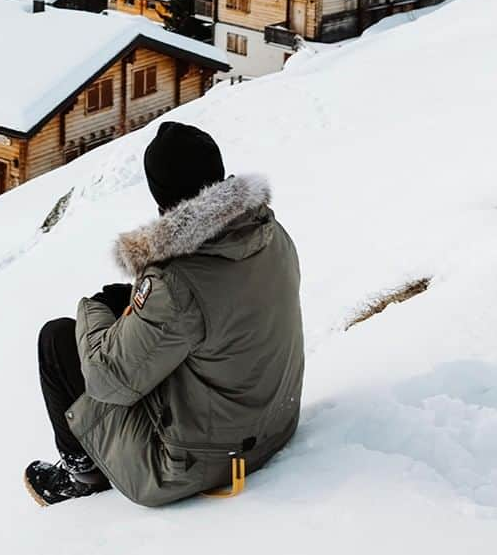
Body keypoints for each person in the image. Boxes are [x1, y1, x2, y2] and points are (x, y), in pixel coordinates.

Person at [24, 120, 304, 508]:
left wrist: (97, 309)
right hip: (274, 424)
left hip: (199, 461)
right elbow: (221, 306)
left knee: (57, 341)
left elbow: (107, 380)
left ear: (161, 198)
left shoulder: (176, 282)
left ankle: (83, 474)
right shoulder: (269, 234)